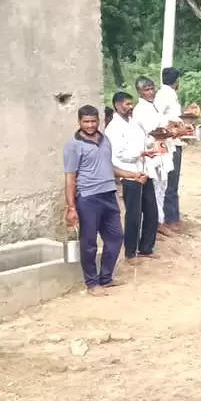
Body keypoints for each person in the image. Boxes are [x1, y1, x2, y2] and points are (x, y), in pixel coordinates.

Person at [64, 106, 132, 295]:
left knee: (116, 237)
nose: (90, 125)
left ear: (99, 121)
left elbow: (108, 166)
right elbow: (70, 177)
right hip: (88, 198)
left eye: (93, 121)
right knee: (89, 242)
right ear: (79, 122)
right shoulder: (73, 146)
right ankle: (92, 283)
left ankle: (106, 277)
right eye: (86, 121)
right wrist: (71, 207)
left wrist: (131, 174)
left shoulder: (105, 140)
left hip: (109, 194)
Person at [106, 92, 157, 260]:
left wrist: (150, 146)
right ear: (117, 106)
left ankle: (146, 248)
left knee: (151, 211)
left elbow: (144, 140)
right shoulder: (113, 128)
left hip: (143, 170)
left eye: (131, 104)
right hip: (129, 174)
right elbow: (120, 154)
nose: (130, 107)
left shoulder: (134, 123)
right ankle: (130, 251)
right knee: (134, 214)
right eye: (127, 104)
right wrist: (141, 152)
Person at [152, 68, 190, 233]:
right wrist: (174, 128)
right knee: (169, 181)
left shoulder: (168, 94)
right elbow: (160, 120)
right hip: (167, 142)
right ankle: (169, 218)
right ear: (177, 81)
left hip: (174, 141)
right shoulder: (165, 95)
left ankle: (173, 216)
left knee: (171, 181)